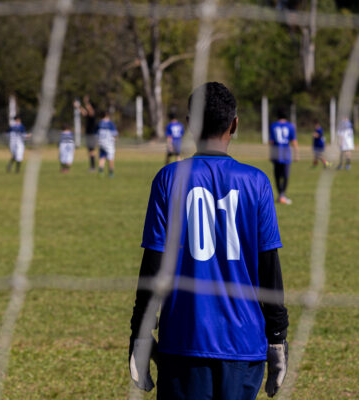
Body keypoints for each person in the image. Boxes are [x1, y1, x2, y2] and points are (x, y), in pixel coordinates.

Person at [129, 82, 289, 400]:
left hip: (184, 340)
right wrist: (277, 336)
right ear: (235, 124)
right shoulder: (257, 182)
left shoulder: (169, 178)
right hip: (244, 344)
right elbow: (270, 267)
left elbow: (153, 266)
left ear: (190, 125)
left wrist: (140, 333)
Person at [269, 108, 298, 204]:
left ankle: (280, 195)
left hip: (276, 153)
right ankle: (282, 195)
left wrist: (271, 154)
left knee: (277, 176)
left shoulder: (273, 125)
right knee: (285, 175)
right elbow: (293, 141)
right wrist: (296, 154)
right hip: (286, 154)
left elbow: (271, 142)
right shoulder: (290, 126)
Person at [74, 95, 97, 171]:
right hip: (88, 135)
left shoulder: (92, 114)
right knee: (90, 151)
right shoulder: (88, 115)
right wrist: (78, 106)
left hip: (92, 135)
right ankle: (92, 166)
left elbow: (90, 111)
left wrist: (86, 102)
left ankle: (93, 167)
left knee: (91, 151)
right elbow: (84, 112)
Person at [96, 110, 118, 177]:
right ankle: (111, 173)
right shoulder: (110, 123)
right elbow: (115, 133)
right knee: (111, 158)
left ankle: (100, 172)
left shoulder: (99, 123)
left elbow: (96, 133)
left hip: (101, 142)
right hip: (109, 143)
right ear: (108, 115)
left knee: (102, 156)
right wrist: (115, 139)